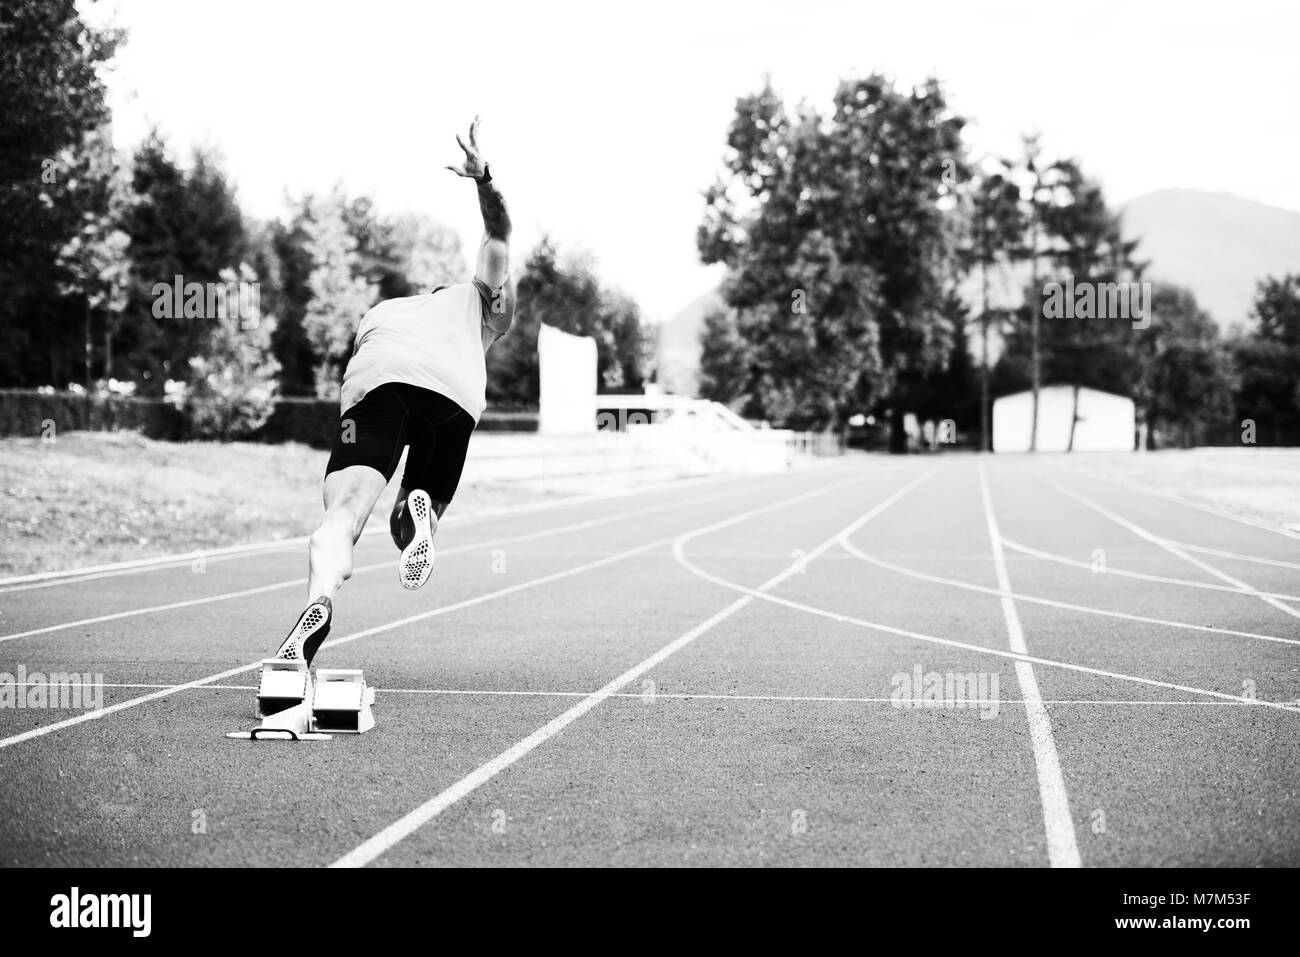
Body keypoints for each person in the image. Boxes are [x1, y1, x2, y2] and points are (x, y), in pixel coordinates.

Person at [271, 117, 514, 665]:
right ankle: (418, 511)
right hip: (452, 398)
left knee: (343, 515)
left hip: (379, 382)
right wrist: (484, 181)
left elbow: (354, 378)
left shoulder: (383, 312)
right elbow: (498, 234)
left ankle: (320, 597)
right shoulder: (480, 302)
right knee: (409, 519)